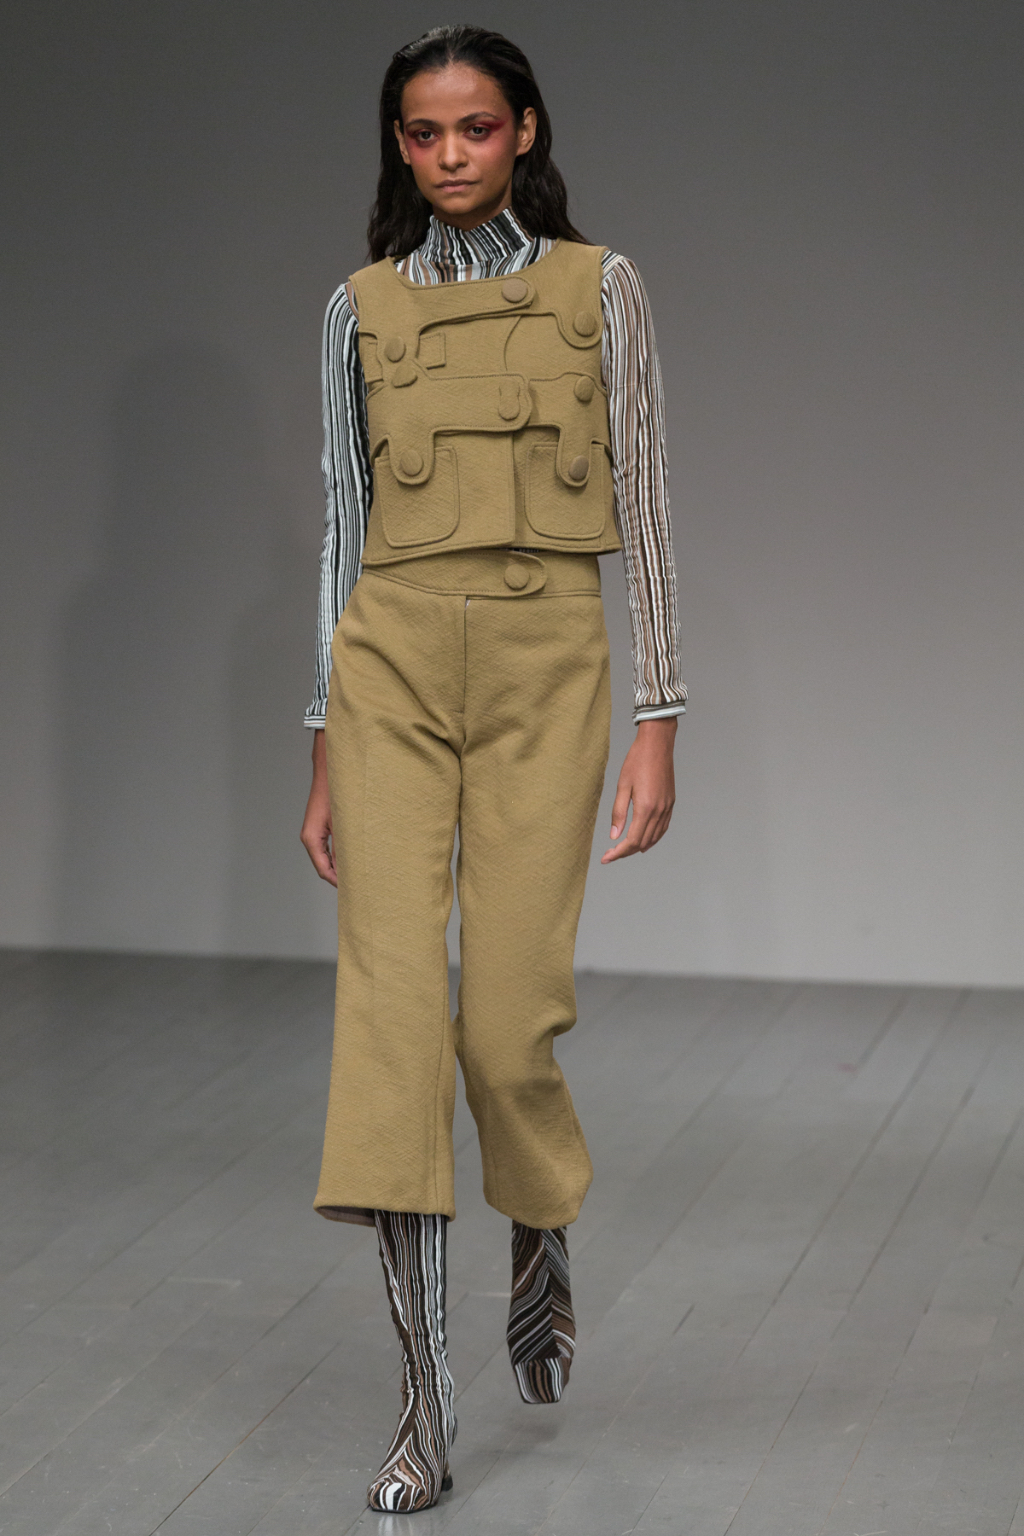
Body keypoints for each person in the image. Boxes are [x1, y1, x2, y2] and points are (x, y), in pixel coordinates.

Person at [300, 24, 685, 1513]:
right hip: (390, 664)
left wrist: (661, 717)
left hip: (546, 662)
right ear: (398, 144)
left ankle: (539, 1214)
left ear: (526, 130)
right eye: (422, 132)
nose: (449, 154)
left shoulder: (602, 288)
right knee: (392, 1026)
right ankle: (421, 1402)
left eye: (474, 127)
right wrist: (320, 746)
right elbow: (340, 529)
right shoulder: (358, 309)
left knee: (511, 1022)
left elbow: (648, 501)